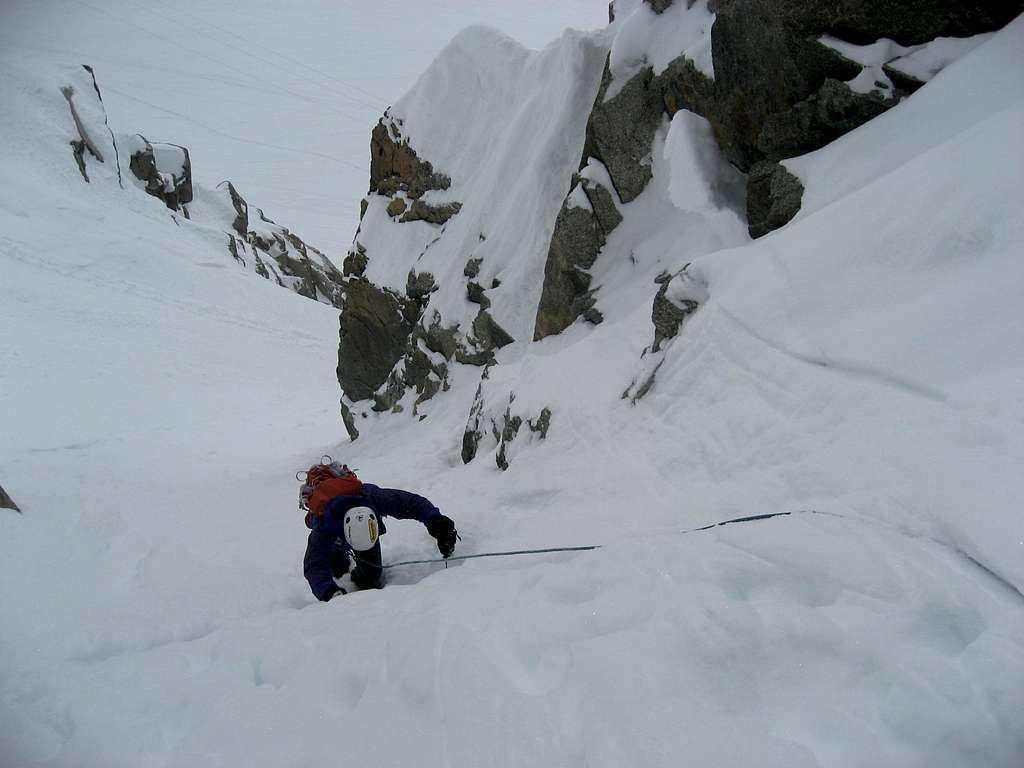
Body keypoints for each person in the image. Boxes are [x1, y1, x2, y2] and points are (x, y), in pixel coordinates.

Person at [299, 460, 458, 601]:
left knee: (371, 576)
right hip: (333, 533)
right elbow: (314, 564)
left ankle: (358, 569)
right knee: (336, 565)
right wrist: (328, 592)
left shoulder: (371, 497)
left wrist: (436, 522)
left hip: (358, 526)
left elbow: (409, 503)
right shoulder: (322, 527)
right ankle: (339, 564)